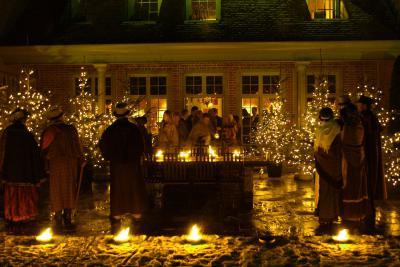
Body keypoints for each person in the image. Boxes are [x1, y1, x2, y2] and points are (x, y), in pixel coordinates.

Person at [99, 103, 147, 231]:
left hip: (117, 165)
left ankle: (117, 215)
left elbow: (103, 146)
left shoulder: (110, 130)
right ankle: (136, 214)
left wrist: (110, 157)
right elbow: (141, 146)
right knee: (133, 189)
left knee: (118, 190)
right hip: (132, 165)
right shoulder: (134, 129)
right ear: (127, 114)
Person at [0, 108, 44, 233]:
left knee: (12, 195)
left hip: (10, 172)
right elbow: (34, 155)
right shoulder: (27, 135)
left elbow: (2, 152)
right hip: (26, 173)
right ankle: (25, 215)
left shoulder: (6, 134)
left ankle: (12, 216)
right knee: (24, 194)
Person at [41, 106, 84, 230]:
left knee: (56, 188)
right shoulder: (71, 130)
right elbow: (77, 145)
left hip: (55, 163)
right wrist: (81, 159)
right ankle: (67, 216)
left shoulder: (49, 131)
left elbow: (44, 149)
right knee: (69, 187)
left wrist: (45, 163)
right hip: (70, 162)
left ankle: (58, 215)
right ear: (61, 117)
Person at [340, 103, 373, 223]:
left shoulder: (348, 128)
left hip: (348, 160)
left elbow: (344, 142)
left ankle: (350, 214)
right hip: (360, 157)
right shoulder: (360, 125)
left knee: (349, 186)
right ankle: (359, 213)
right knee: (359, 186)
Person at [357, 95, 387, 227]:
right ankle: (369, 205)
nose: (359, 106)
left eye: (360, 104)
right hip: (371, 151)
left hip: (368, 152)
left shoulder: (366, 117)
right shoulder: (370, 117)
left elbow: (366, 134)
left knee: (367, 179)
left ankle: (367, 207)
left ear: (365, 106)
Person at [314, 107, 343, 226]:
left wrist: (318, 156)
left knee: (324, 191)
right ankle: (333, 215)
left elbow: (319, 149)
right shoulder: (337, 129)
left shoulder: (320, 130)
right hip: (334, 166)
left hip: (323, 166)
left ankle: (325, 216)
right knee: (333, 192)